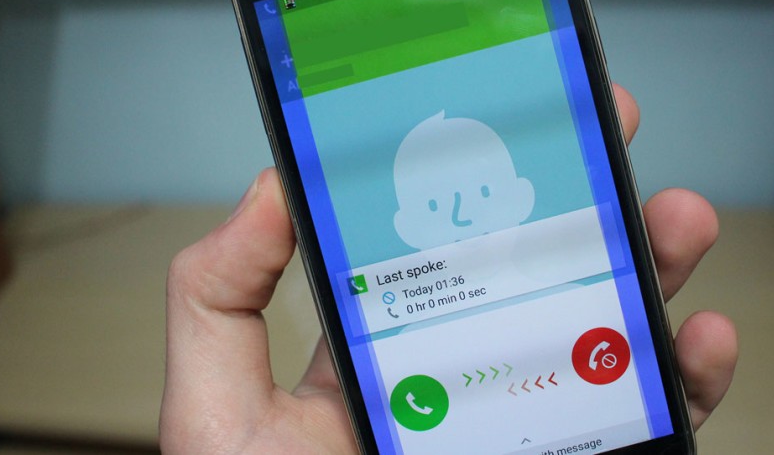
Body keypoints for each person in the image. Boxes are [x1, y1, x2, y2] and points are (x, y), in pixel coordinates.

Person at [159, 84, 739, 453]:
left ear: (521, 196)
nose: (461, 214)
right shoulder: (404, 347)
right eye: (435, 205)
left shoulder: (577, 299)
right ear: (408, 227)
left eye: (482, 191)